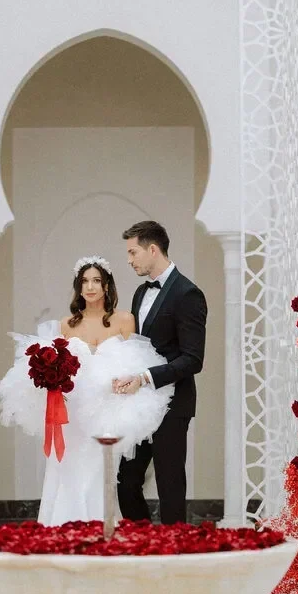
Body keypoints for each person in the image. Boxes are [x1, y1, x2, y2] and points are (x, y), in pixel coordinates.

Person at [0, 256, 173, 525]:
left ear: (106, 286)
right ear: (79, 287)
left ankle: (101, 528)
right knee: (69, 470)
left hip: (107, 412)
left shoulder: (124, 320)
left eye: (96, 280)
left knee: (101, 472)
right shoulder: (67, 324)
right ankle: (62, 526)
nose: (90, 286)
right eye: (84, 281)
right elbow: (63, 366)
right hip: (74, 413)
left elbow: (136, 363)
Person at [112, 220, 207, 525]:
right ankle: (144, 543)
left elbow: (193, 359)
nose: (129, 260)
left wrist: (146, 377)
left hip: (173, 404)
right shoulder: (140, 293)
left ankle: (174, 554)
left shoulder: (188, 294)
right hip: (141, 405)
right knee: (125, 481)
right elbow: (139, 346)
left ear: (152, 249)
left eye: (133, 252)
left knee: (169, 485)